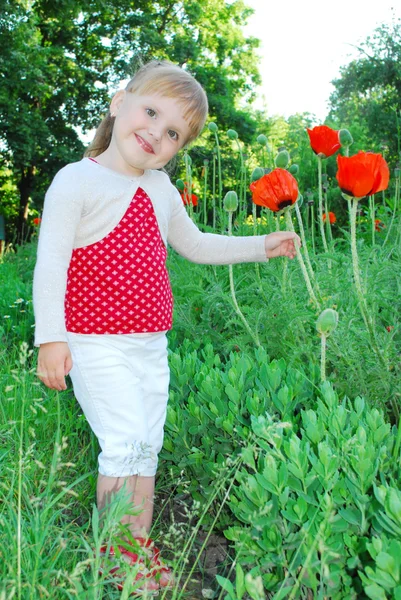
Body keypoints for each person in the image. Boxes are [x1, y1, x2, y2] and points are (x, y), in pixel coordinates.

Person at [33, 59, 300, 596]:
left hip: (149, 346)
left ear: (179, 146)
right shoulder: (77, 180)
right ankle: (116, 555)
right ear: (118, 102)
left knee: (145, 446)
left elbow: (196, 245)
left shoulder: (160, 189)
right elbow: (51, 264)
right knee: (123, 441)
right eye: (151, 112)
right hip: (94, 342)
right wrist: (51, 337)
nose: (157, 132)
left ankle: (139, 543)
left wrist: (259, 245)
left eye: (173, 131)